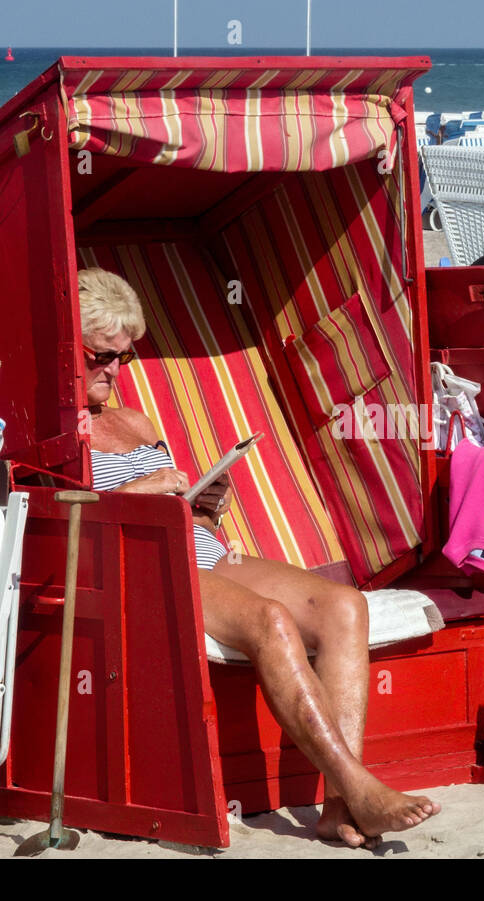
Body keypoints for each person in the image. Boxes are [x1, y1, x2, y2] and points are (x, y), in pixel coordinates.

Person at [75, 267, 439, 847]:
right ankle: (356, 786)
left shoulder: (134, 422)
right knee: (269, 620)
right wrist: (133, 495)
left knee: (345, 605)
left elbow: (187, 516)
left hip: (203, 549)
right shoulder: (54, 433)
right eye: (101, 356)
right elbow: (60, 520)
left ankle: (339, 809)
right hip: (150, 571)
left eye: (124, 357)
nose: (114, 371)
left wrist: (206, 504)